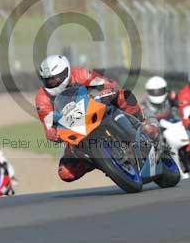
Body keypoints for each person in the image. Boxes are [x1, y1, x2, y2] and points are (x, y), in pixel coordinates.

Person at [35, 54, 156, 183]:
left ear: (66, 71)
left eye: (55, 78)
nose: (52, 82)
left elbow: (108, 84)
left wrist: (105, 92)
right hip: (74, 131)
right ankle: (100, 162)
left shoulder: (81, 74)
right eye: (48, 80)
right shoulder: (42, 98)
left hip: (97, 109)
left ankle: (143, 124)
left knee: (123, 96)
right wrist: (52, 133)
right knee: (66, 172)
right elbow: (48, 125)